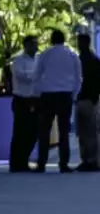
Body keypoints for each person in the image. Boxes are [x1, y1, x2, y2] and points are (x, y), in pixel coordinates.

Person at [33, 27, 83, 174]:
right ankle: (64, 164)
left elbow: (37, 75)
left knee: (44, 131)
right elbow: (78, 78)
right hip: (65, 95)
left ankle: (41, 163)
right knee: (64, 131)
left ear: (51, 40)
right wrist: (73, 95)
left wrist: (37, 94)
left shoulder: (45, 54)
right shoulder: (72, 55)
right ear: (64, 40)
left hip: (48, 95)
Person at [8, 34, 41, 172]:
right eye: (32, 44)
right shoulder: (18, 61)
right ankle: (16, 163)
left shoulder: (40, 60)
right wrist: (37, 75)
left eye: (35, 43)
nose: (35, 46)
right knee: (20, 132)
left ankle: (24, 160)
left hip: (36, 99)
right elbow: (23, 77)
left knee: (33, 132)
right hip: (21, 100)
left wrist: (35, 75)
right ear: (25, 46)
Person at [75, 29, 100, 172]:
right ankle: (88, 160)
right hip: (88, 99)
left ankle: (90, 160)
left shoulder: (85, 60)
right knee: (86, 131)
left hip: (87, 98)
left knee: (88, 131)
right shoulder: (91, 59)